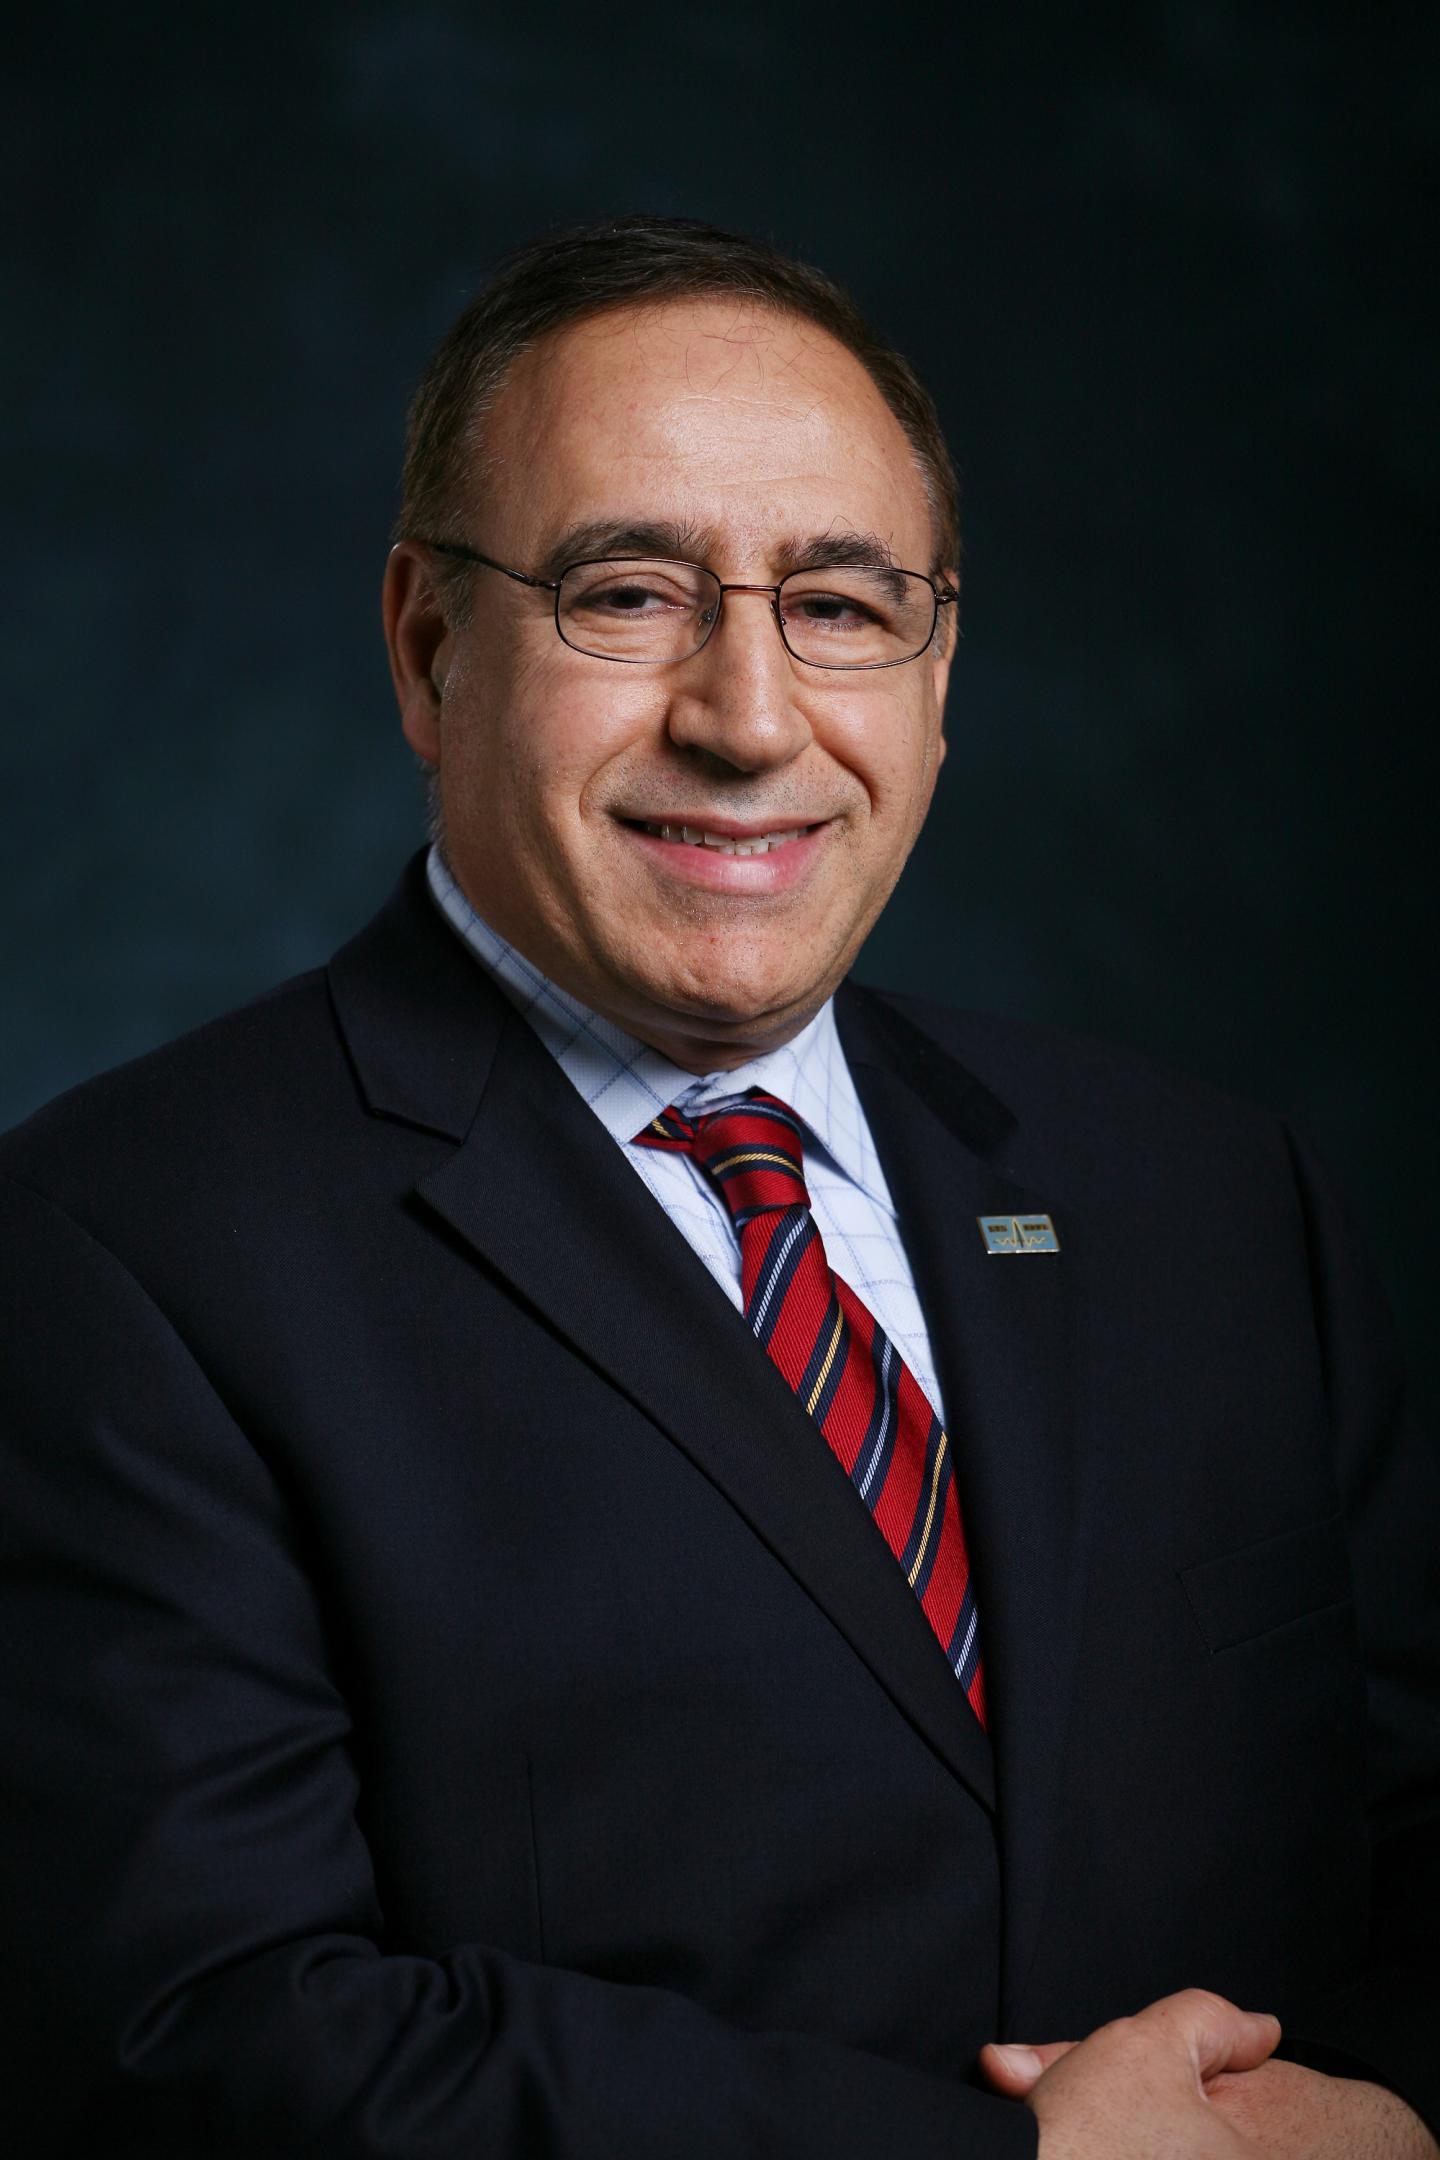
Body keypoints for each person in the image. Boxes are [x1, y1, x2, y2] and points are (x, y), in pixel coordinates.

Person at [0, 216, 1435, 2160]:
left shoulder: (1211, 1199)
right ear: (428, 648)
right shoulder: (115, 1252)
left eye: (840, 606)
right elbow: (206, 2037)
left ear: (939, 673)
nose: (749, 717)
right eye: (627, 594)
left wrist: (1399, 2115)